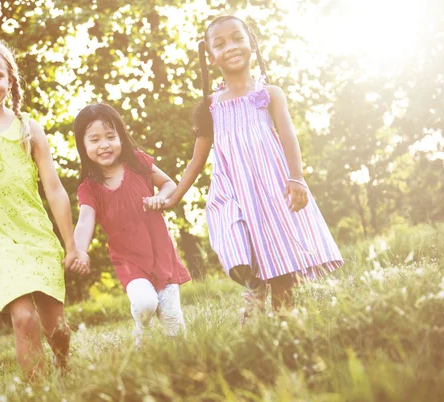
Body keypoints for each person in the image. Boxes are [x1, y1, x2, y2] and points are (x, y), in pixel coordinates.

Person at [154, 16, 343, 317]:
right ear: (210, 56)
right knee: (234, 244)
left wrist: (297, 179)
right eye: (220, 44)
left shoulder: (270, 94)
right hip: (232, 191)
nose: (231, 47)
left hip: (273, 191)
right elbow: (196, 159)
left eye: (237, 38)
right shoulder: (210, 107)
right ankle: (255, 286)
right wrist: (173, 197)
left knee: (283, 268)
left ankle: (282, 327)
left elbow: (289, 136)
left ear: (251, 43)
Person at [0, 33, 88, 380]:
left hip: (37, 237)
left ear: (10, 79)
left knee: (56, 329)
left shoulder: (29, 129)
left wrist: (71, 245)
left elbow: (54, 191)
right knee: (24, 319)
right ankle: (38, 392)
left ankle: (65, 368)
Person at [72, 103, 191, 342]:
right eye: (94, 140)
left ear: (121, 137)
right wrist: (80, 252)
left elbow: (169, 184)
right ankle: (142, 329)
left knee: (173, 323)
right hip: (129, 261)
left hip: (162, 254)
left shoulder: (138, 162)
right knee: (145, 303)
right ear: (83, 147)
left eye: (110, 137)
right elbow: (85, 220)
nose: (104, 145)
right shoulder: (89, 188)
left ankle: (177, 359)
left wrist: (160, 198)